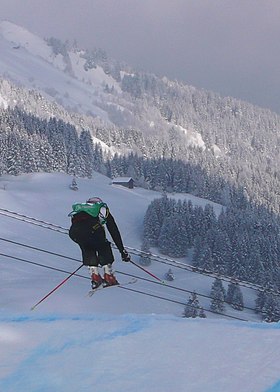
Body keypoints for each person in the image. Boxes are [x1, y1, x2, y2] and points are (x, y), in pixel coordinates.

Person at [69, 196, 130, 289]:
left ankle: (95, 278)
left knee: (87, 246)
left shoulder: (80, 210)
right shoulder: (102, 209)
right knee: (103, 245)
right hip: (92, 230)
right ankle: (108, 276)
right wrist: (122, 251)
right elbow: (113, 230)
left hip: (74, 233)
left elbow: (81, 229)